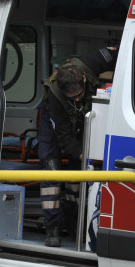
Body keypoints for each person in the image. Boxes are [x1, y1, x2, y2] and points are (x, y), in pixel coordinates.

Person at [37, 47, 117, 247]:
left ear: (83, 80)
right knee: (51, 169)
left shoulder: (91, 61)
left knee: (76, 172)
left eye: (79, 95)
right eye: (72, 98)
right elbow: (64, 138)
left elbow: (118, 53)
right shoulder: (55, 96)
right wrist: (85, 155)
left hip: (82, 119)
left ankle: (75, 224)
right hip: (52, 122)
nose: (78, 99)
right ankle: (53, 227)